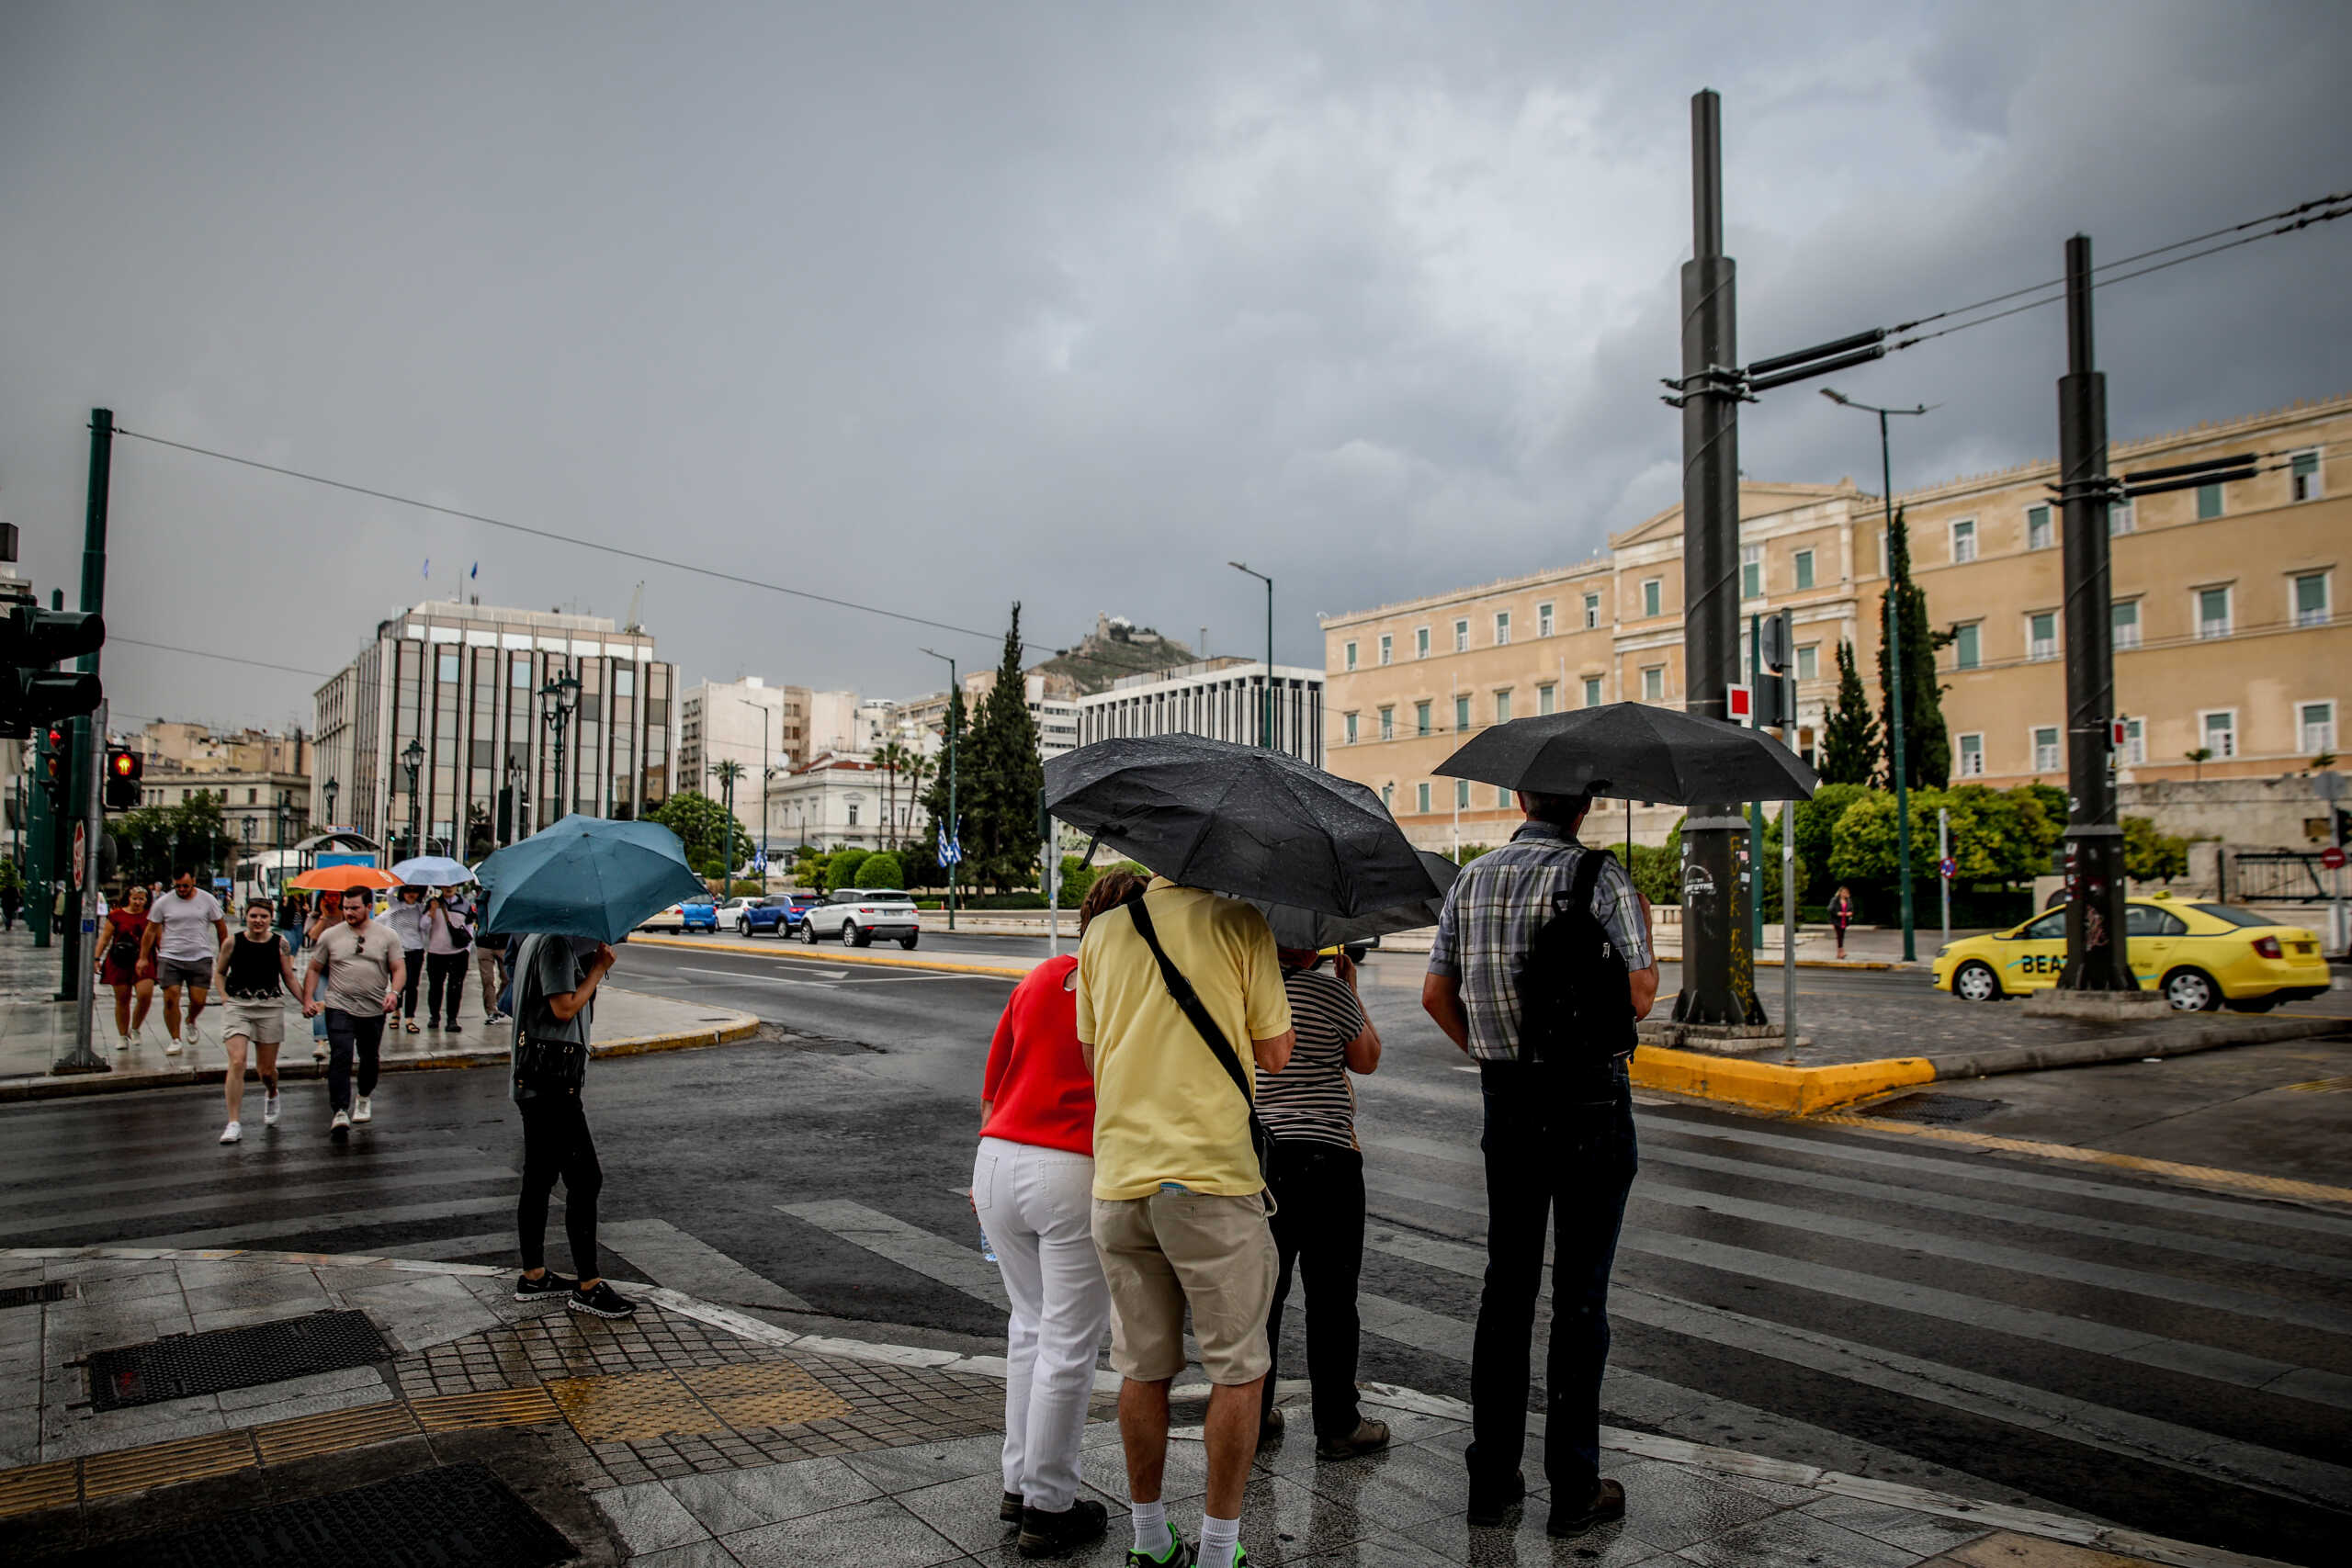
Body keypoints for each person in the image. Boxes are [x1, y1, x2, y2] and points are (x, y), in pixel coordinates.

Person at [1422, 789, 1657, 1538]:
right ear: (1585, 803)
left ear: (1521, 796)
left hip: (1510, 1103)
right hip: (1590, 1102)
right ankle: (1574, 1489)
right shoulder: (1603, 877)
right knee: (1581, 1297)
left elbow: (1435, 993)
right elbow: (1643, 997)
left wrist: (1492, 1056)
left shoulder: (1473, 876)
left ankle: (1492, 1479)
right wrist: (1641, 925)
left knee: (1507, 1288)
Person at [1078, 875, 1295, 1568]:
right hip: (1210, 1180)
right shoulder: (1241, 921)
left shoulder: (1103, 932)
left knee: (1142, 1368)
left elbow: (1093, 1056)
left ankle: (1149, 1540)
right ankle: (1219, 1550)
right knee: (1238, 1370)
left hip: (1119, 1183)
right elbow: (1276, 1051)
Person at [975, 869, 1142, 1559]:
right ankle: (1049, 1504)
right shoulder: (1127, 989)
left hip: (997, 1160)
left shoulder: (1041, 977)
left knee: (1029, 1328)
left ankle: (1019, 1483)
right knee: (1071, 1341)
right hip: (1069, 1165)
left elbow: (993, 1085)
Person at [1256, 944, 1388, 1461]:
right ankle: (1338, 1424)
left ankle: (1254, 1410)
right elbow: (1368, 1059)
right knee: (1332, 1298)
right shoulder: (1330, 989)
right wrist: (1351, 990)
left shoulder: (1248, 992)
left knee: (1264, 1294)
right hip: (1327, 1160)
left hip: (1263, 1160)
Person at [509, 931, 634, 1319]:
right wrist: (598, 970)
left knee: (540, 1176)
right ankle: (588, 1285)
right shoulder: (555, 944)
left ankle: (534, 1274)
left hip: (534, 1078)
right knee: (585, 1178)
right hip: (551, 1083)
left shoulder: (533, 939)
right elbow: (564, 1008)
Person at [299, 886, 404, 1141]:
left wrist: (394, 993)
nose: (349, 912)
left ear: (369, 907)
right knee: (341, 1056)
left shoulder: (387, 936)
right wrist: (308, 998)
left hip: (373, 1008)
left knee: (369, 1058)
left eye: (354, 908)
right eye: (346, 908)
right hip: (339, 1006)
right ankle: (340, 1111)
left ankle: (364, 1096)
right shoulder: (330, 936)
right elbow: (314, 968)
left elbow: (398, 968)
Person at [215, 898, 300, 1145]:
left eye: (263, 916)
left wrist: (306, 1001)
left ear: (270, 918)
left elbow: (288, 977)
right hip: (238, 1006)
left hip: (269, 1006)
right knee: (237, 1061)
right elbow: (219, 972)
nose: (258, 921)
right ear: (247, 917)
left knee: (266, 1070)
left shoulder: (279, 944)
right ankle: (233, 1123)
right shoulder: (233, 942)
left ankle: (272, 1092)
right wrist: (224, 998)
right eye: (254, 916)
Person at [139, 868, 229, 1055]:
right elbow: (150, 931)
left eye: (185, 886)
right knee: (171, 998)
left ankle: (190, 1020)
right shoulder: (163, 902)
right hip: (170, 956)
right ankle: (175, 1038)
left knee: (199, 1000)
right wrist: (143, 958)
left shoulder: (207, 899)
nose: (181, 889)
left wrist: (224, 953)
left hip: (200, 956)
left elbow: (221, 926)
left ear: (194, 881)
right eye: (177, 886)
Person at [98, 885, 157, 1050]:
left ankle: (136, 1027)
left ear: (147, 900)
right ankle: (122, 1035)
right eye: (135, 898)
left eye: (141, 899)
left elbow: (159, 939)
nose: (138, 902)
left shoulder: (151, 917)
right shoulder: (116, 915)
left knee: (145, 994)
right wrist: (97, 957)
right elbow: (105, 938)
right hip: (120, 960)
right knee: (122, 999)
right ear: (128, 899)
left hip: (145, 959)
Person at [379, 884, 431, 1032]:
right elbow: (390, 892)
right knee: (397, 985)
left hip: (415, 950)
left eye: (415, 891)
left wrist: (431, 912)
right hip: (397, 952)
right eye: (408, 890)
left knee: (412, 985)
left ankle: (410, 1018)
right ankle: (396, 1013)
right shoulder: (395, 905)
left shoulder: (420, 909)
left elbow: (425, 927)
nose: (411, 894)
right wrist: (400, 882)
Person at [423, 889, 473, 1032]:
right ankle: (434, 1016)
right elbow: (423, 926)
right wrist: (431, 912)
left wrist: (467, 949)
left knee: (455, 988)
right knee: (435, 987)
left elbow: (469, 925)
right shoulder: (433, 903)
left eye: (452, 885)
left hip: (458, 953)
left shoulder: (465, 904)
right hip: (436, 952)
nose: (449, 888)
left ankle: (452, 1019)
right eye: (445, 886)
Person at [1830, 886, 1855, 960]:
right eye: (1843, 892)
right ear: (1840, 892)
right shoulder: (1835, 900)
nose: (1845, 893)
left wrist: (1850, 913)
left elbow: (1851, 910)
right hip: (1836, 921)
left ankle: (1839, 953)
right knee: (1839, 936)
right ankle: (1841, 952)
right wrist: (1837, 913)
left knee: (1842, 936)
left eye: (1846, 892)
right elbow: (1830, 909)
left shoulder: (1848, 900)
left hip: (1844, 920)